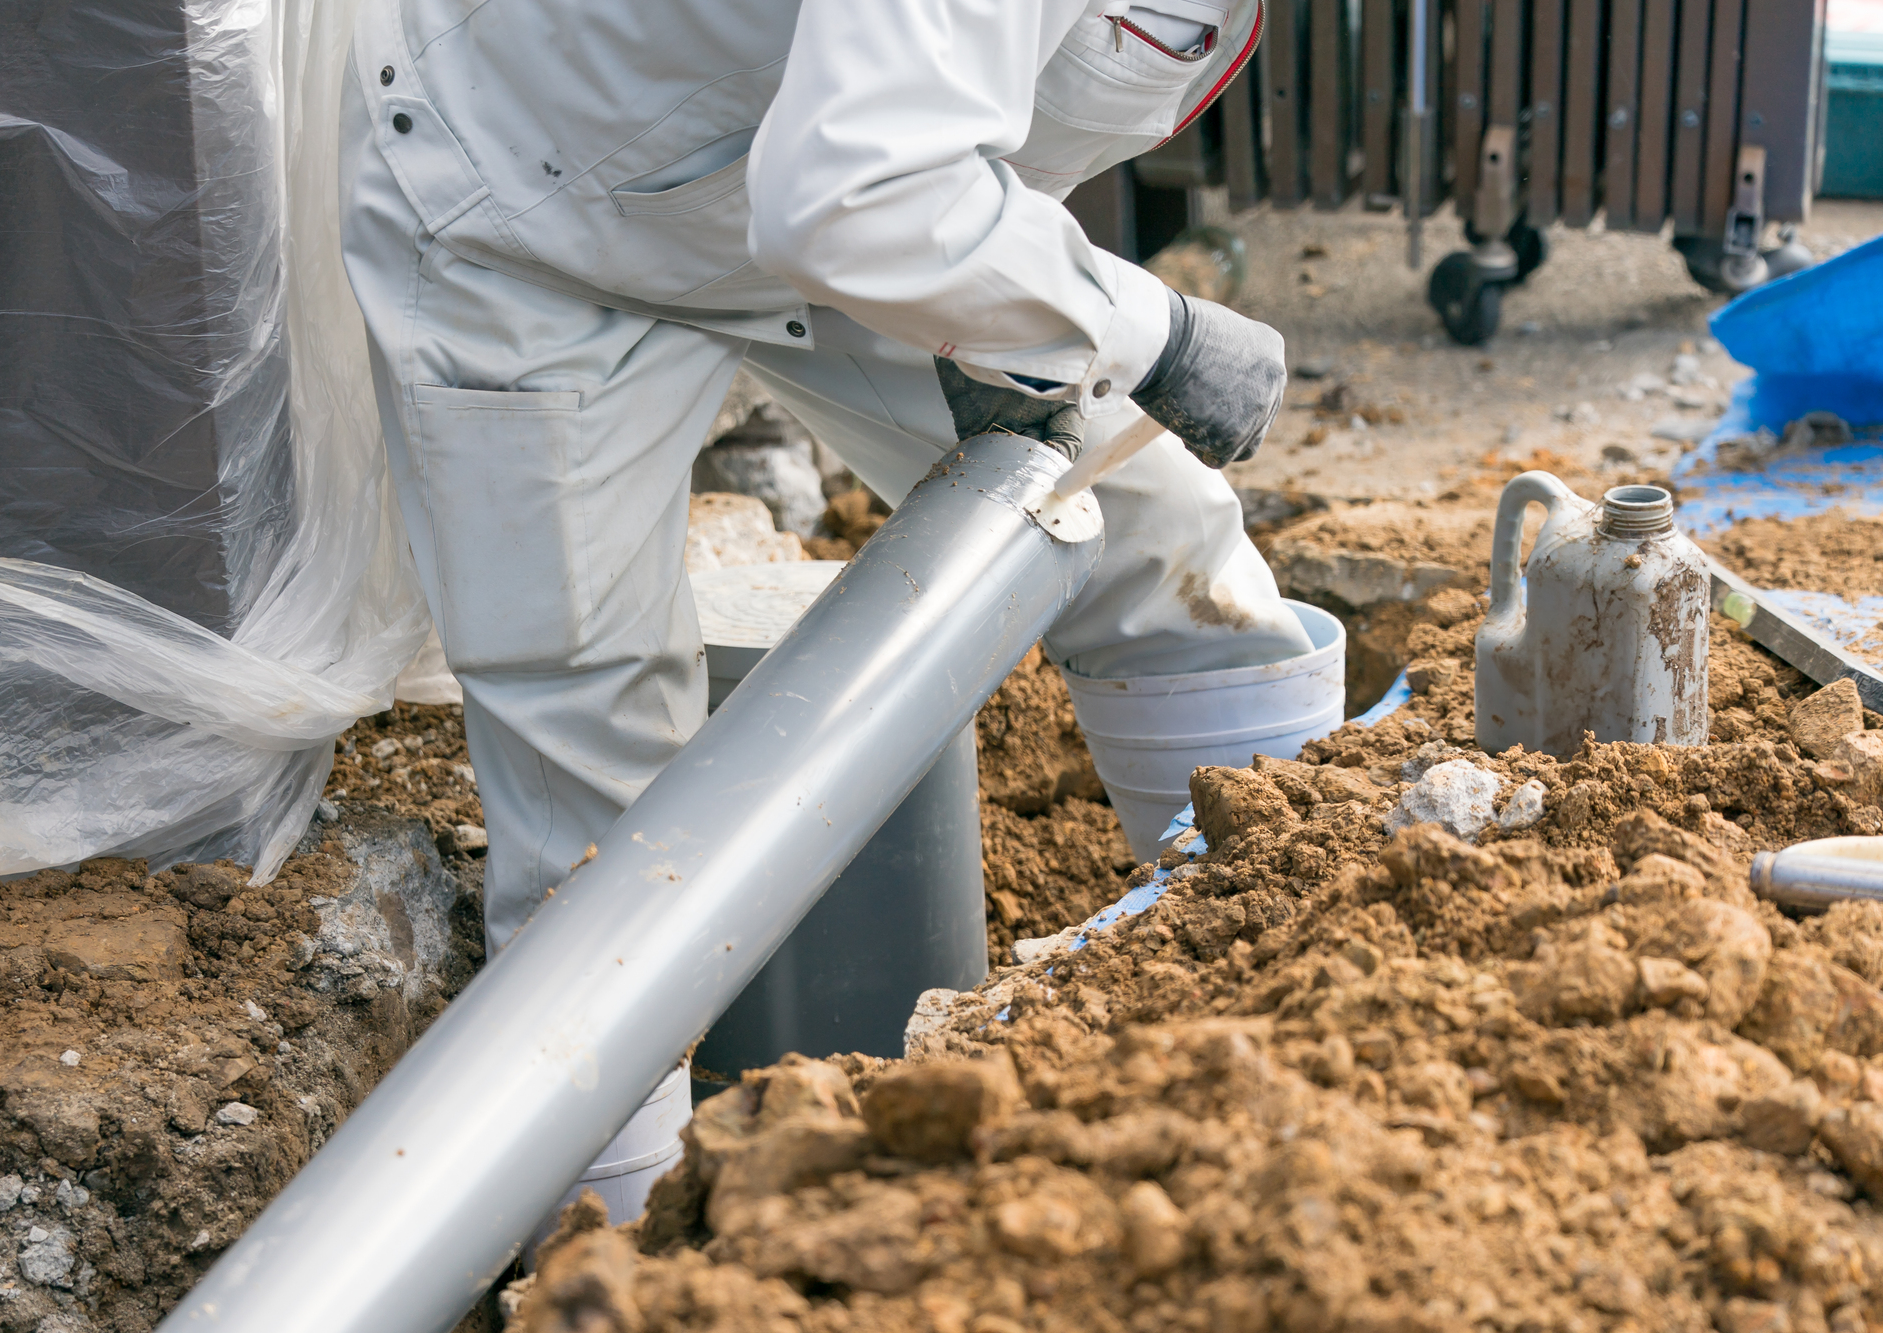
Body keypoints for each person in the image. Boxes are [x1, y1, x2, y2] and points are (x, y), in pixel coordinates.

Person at [340, 0, 1310, 964]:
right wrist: (1158, 337)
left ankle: (1286, 961)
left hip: (854, 202)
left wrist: (1007, 309)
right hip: (538, 200)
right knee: (597, 795)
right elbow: (850, 195)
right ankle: (600, 1054)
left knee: (1155, 544)